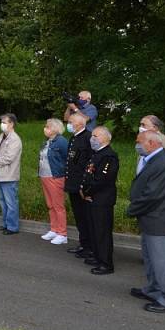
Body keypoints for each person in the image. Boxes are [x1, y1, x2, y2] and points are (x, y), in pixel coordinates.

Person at [127, 130, 165, 313]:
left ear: (151, 143)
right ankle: (154, 289)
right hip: (151, 219)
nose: (137, 145)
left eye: (139, 142)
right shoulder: (156, 159)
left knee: (162, 262)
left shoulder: (163, 163)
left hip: (159, 220)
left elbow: (152, 195)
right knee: (151, 259)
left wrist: (132, 209)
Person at [79, 126, 119, 275]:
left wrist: (87, 191)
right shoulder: (97, 154)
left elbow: (102, 180)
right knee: (94, 230)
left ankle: (106, 263)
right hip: (91, 198)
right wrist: (83, 191)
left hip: (101, 200)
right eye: (92, 136)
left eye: (95, 136)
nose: (92, 139)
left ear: (105, 138)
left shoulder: (109, 156)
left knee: (102, 232)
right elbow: (89, 174)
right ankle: (97, 256)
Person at [0, 113, 23, 235]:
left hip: (9, 175)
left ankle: (12, 227)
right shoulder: (2, 136)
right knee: (3, 201)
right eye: (1, 122)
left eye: (4, 122)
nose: (2, 124)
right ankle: (6, 224)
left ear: (11, 124)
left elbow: (9, 157)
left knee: (11, 202)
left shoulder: (15, 139)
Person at [64, 113, 93, 257]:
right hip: (73, 184)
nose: (68, 124)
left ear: (80, 124)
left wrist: (84, 185)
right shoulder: (74, 137)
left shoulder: (88, 138)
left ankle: (89, 247)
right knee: (79, 217)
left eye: (71, 122)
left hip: (82, 185)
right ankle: (83, 244)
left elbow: (89, 164)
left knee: (85, 217)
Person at [39, 118, 69, 245]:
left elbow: (67, 159)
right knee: (50, 205)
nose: (45, 128)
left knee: (58, 206)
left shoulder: (61, 142)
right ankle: (54, 229)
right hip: (44, 176)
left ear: (55, 128)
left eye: (48, 126)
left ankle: (62, 233)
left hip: (55, 177)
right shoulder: (47, 141)